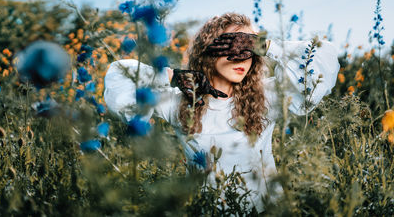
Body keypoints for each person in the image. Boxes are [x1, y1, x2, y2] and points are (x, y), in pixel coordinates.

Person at [103, 12, 340, 213]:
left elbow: (321, 60)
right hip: (206, 210)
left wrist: (269, 46)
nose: (242, 56)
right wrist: (172, 76)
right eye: (233, 45)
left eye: (249, 48)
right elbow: (120, 80)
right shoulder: (181, 103)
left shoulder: (268, 96)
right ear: (209, 50)